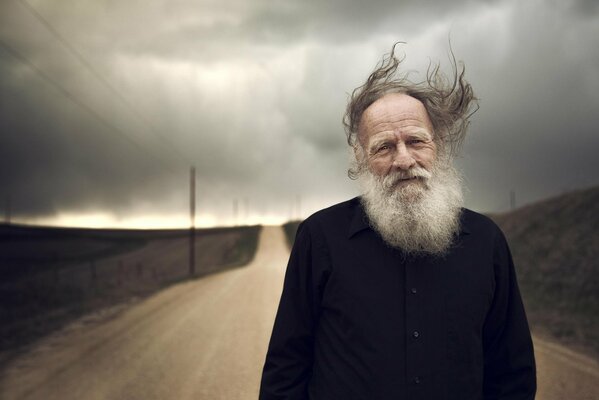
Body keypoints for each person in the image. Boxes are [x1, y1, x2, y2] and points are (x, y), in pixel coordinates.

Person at [259, 44, 536, 400]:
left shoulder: (486, 242)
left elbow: (511, 372)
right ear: (361, 159)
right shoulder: (320, 238)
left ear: (438, 147)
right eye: (384, 147)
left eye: (415, 141)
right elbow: (286, 367)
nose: (404, 159)